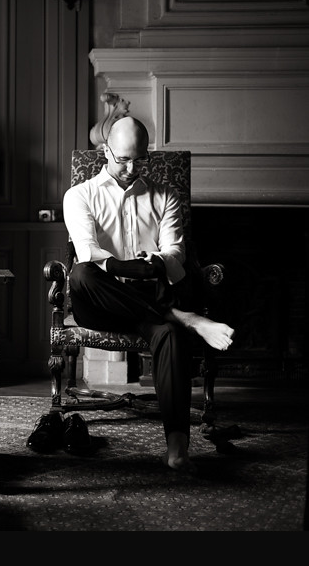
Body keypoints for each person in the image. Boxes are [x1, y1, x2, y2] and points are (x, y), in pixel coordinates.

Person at [63, 116, 235, 472]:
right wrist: (122, 268)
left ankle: (177, 445)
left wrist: (155, 260)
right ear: (105, 151)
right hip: (100, 299)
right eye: (122, 158)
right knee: (80, 275)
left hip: (148, 298)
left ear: (148, 156)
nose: (130, 168)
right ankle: (186, 317)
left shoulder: (165, 196)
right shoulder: (79, 195)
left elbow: (176, 255)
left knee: (169, 336)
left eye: (139, 159)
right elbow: (87, 253)